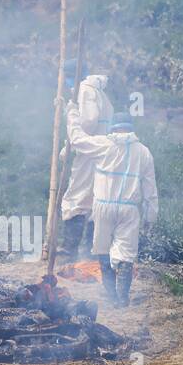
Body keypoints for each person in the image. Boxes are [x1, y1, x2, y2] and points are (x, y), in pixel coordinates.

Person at [64, 110, 157, 306]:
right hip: (129, 210)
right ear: (131, 128)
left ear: (113, 127)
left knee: (102, 249)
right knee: (126, 254)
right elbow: (150, 190)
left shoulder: (104, 144)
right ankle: (121, 299)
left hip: (103, 207)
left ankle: (111, 295)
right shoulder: (144, 151)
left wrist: (71, 113)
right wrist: (150, 217)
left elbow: (77, 139)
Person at [59, 74, 114, 258]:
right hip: (101, 151)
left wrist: (72, 114)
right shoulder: (100, 93)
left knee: (77, 196)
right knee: (94, 198)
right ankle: (89, 251)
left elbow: (89, 122)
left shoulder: (85, 89)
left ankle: (70, 249)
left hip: (89, 152)